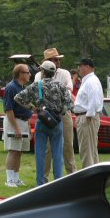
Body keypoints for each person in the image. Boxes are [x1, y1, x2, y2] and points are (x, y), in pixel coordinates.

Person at [16, 60, 73, 187]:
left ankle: (40, 183)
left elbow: (18, 98)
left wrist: (32, 108)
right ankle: (58, 182)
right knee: (58, 154)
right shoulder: (60, 86)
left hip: (41, 122)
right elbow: (70, 104)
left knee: (40, 154)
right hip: (57, 123)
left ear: (43, 72)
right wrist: (59, 113)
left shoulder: (36, 85)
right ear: (53, 73)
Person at [34, 47, 76, 177]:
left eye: (58, 59)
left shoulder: (65, 73)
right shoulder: (38, 75)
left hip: (63, 112)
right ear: (48, 61)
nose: (58, 61)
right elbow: (37, 93)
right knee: (47, 148)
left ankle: (71, 175)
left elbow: (69, 90)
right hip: (46, 113)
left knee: (68, 144)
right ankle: (44, 177)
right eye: (55, 59)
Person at [2, 64, 32, 188]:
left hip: (23, 121)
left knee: (19, 152)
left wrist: (28, 124)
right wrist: (16, 127)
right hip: (15, 121)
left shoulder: (22, 88)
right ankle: (9, 179)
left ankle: (16, 178)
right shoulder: (11, 87)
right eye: (27, 72)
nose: (30, 74)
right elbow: (8, 109)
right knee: (13, 150)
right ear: (20, 74)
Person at [73, 58, 103, 169]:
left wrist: (88, 116)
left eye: (80, 66)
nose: (78, 68)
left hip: (87, 117)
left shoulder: (91, 81)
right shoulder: (88, 80)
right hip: (85, 116)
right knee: (90, 150)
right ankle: (94, 175)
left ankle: (88, 175)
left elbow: (94, 100)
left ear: (88, 67)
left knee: (86, 150)